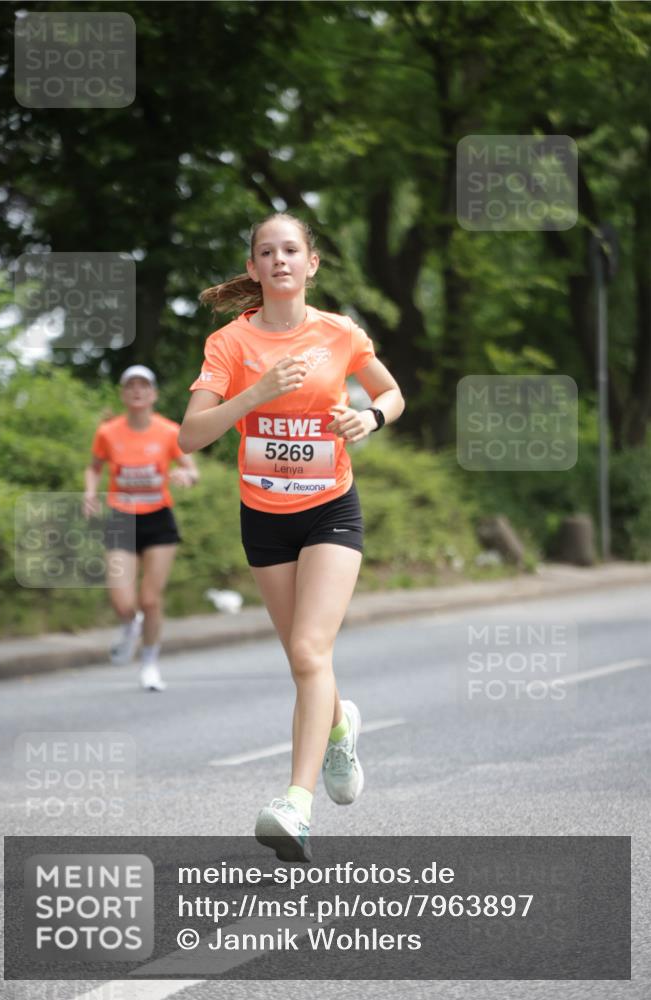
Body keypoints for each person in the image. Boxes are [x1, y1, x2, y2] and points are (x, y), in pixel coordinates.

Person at [180, 213, 404, 861]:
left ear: (310, 264)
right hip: (264, 516)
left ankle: (295, 804)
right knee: (304, 660)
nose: (279, 260)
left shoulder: (339, 334)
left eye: (291, 250)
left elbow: (391, 395)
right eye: (265, 252)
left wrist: (368, 417)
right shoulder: (229, 344)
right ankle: (340, 726)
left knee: (310, 649)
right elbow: (190, 436)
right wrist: (254, 394)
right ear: (252, 269)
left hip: (331, 509)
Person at [83, 365, 199, 691]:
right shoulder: (108, 432)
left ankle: (149, 664)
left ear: (154, 394)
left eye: (143, 385)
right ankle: (129, 625)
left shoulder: (167, 431)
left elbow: (192, 470)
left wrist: (185, 476)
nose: (137, 391)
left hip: (158, 518)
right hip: (121, 517)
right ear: (123, 394)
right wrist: (90, 492)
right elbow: (94, 468)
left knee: (150, 600)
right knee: (122, 601)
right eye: (130, 385)